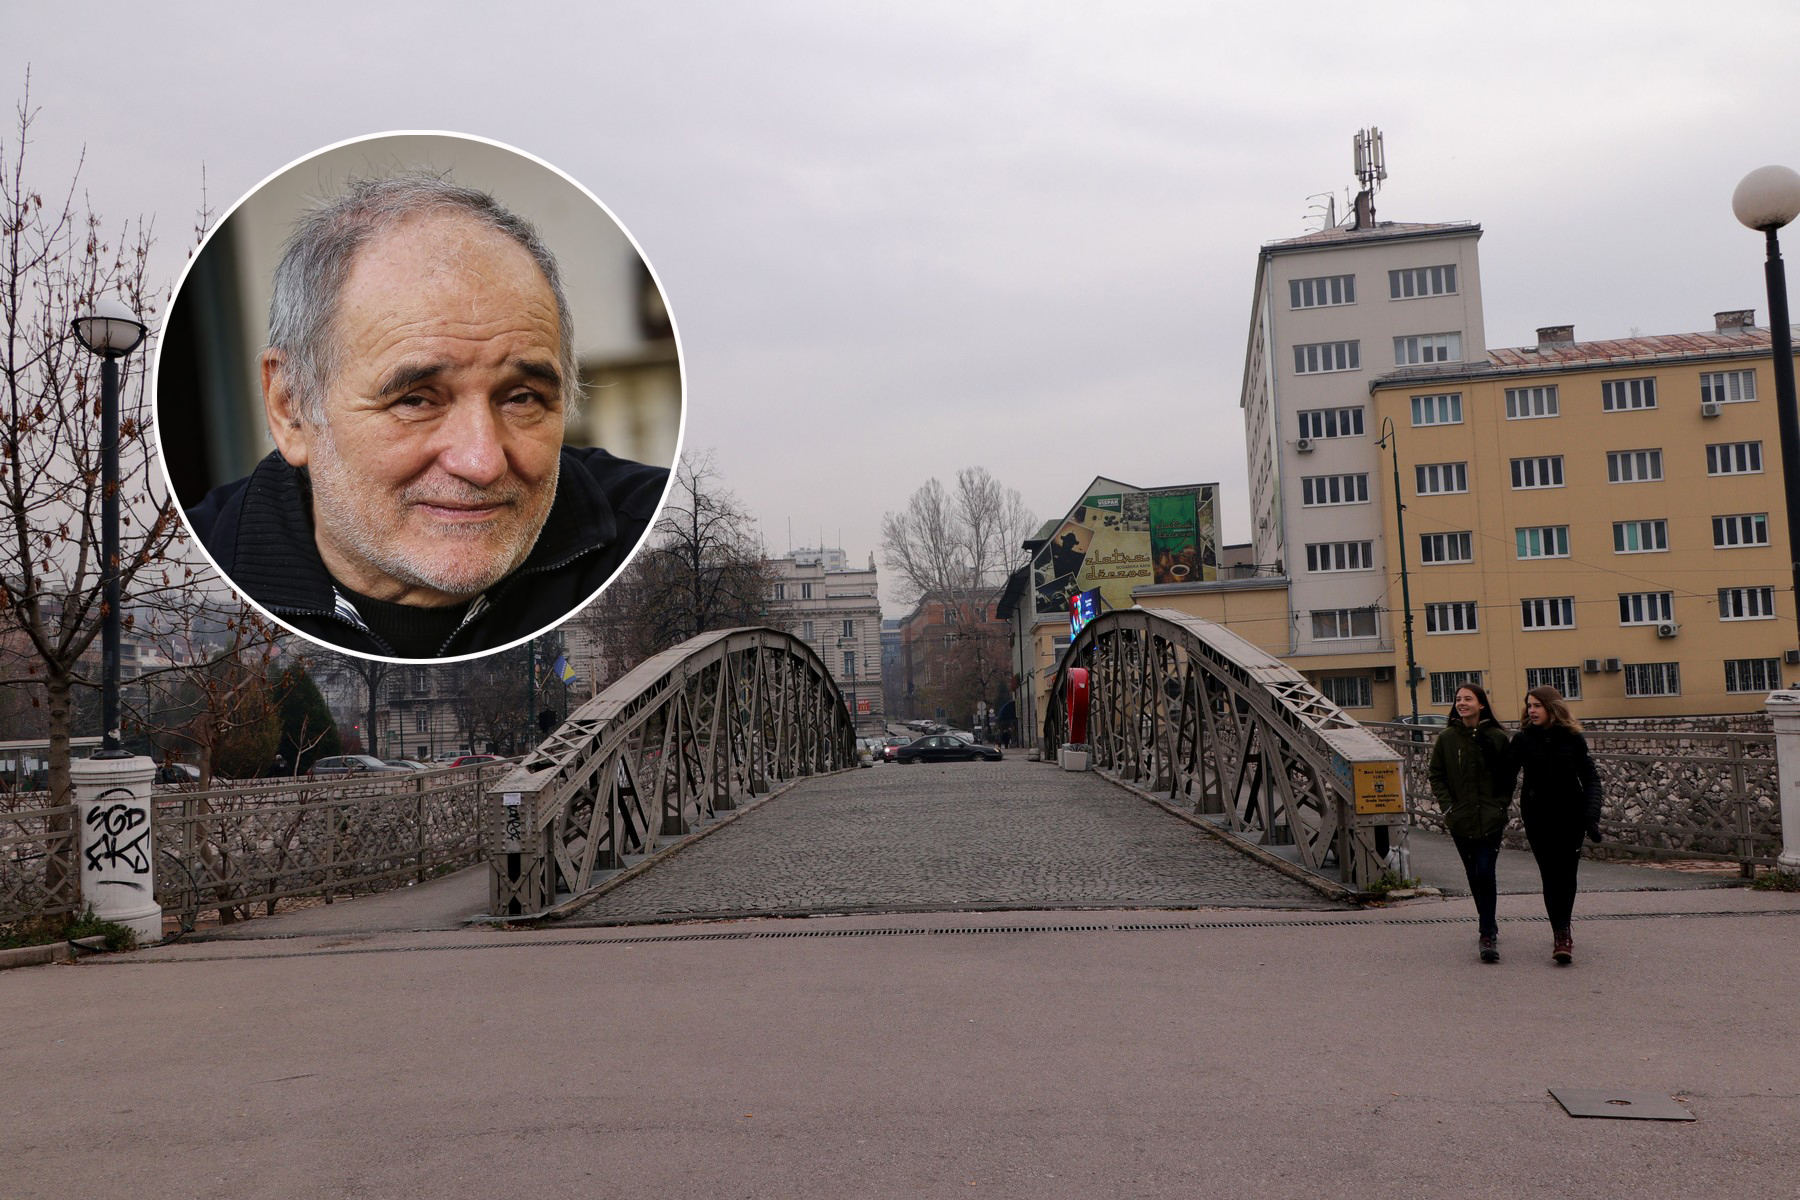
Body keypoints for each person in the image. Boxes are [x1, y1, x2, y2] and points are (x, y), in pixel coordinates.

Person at [185, 174, 668, 659]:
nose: (481, 462)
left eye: (521, 398)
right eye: (415, 401)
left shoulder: (661, 533)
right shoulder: (192, 580)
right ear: (291, 408)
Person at [1511, 686, 1603, 965]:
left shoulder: (1573, 738)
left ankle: (1563, 928)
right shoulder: (1522, 739)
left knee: (1567, 874)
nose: (1532, 710)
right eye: (1529, 705)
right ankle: (1560, 933)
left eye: (1537, 705)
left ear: (1552, 708)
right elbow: (1505, 776)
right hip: (1537, 817)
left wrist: (1591, 817)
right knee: (1550, 875)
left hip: (1571, 816)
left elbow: (1591, 778)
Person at [1427, 682, 1516, 963]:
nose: (1462, 703)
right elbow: (1436, 774)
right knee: (1473, 874)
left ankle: (1486, 934)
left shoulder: (1497, 737)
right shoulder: (1447, 738)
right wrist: (1448, 806)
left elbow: (1508, 777)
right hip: (1461, 817)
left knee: (1485, 871)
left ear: (1481, 704)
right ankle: (1488, 921)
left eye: (1468, 699)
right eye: (1458, 699)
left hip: (1490, 818)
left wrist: (1500, 805)